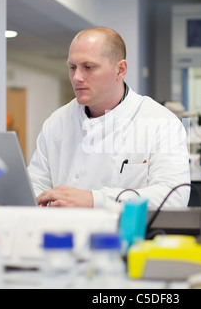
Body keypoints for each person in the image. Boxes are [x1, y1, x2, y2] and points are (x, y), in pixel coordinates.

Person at [27, 26, 190, 209]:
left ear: (120, 70)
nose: (77, 77)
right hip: (63, 233)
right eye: (72, 67)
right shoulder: (57, 122)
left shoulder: (160, 122)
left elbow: (174, 197)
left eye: (88, 67)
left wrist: (94, 200)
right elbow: (35, 184)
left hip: (126, 236)